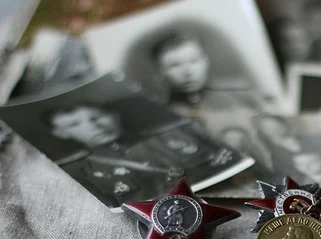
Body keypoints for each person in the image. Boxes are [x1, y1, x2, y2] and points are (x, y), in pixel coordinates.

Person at [45, 104, 202, 207]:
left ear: (114, 115)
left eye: (96, 118)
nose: (94, 127)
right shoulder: (80, 170)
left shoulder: (169, 137)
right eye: (74, 124)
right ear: (61, 133)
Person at [151, 33, 262, 114]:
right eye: (174, 65)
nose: (187, 72)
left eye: (193, 61)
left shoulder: (241, 96)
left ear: (205, 62)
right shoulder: (164, 114)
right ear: (161, 72)